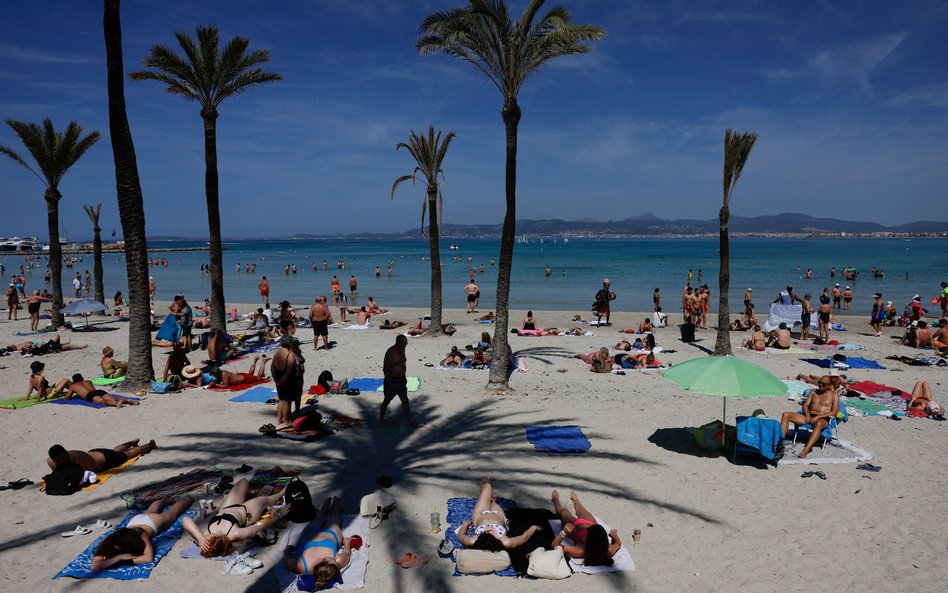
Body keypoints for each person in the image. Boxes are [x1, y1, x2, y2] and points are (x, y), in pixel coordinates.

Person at [183, 479, 290, 558]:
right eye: (205, 539)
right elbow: (257, 528)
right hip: (247, 512)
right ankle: (282, 492)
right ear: (212, 540)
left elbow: (185, 520)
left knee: (243, 482)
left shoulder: (203, 539)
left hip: (228, 506)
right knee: (268, 500)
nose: (204, 537)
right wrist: (279, 515)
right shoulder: (233, 534)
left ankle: (250, 496)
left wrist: (200, 538)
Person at [91, 496, 194, 572]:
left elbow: (148, 557)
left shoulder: (140, 534)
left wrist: (126, 560)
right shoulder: (109, 542)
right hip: (134, 521)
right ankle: (164, 499)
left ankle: (187, 499)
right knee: (151, 510)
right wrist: (120, 558)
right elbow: (94, 567)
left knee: (172, 514)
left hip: (151, 522)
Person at [284, 496, 353, 586]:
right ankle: (333, 506)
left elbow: (287, 557)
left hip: (310, 533)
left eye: (331, 559)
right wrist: (347, 543)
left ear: (318, 562)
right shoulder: (338, 562)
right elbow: (346, 553)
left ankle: (326, 507)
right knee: (334, 518)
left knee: (319, 518)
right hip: (331, 535)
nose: (334, 559)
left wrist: (288, 550)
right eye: (334, 560)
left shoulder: (300, 566)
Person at [457, 477, 540, 551]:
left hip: (480, 514)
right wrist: (533, 528)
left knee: (487, 488)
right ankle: (490, 498)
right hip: (498, 514)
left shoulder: (473, 541)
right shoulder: (505, 542)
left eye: (486, 532)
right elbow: (524, 538)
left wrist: (465, 524)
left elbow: (461, 536)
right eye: (490, 532)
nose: (489, 529)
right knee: (490, 495)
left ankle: (485, 478)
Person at [550, 490, 621, 565]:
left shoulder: (580, 550)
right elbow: (618, 544)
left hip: (574, 527)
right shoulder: (608, 550)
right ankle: (576, 501)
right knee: (581, 509)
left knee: (564, 511)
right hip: (591, 523)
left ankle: (555, 499)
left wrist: (563, 532)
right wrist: (615, 537)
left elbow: (555, 546)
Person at [780, 376, 839, 458]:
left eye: (823, 384)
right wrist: (807, 415)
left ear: (829, 385)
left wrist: (818, 417)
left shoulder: (833, 395)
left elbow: (834, 412)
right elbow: (805, 406)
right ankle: (780, 442)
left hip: (822, 419)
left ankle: (806, 449)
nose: (820, 385)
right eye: (819, 383)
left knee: (818, 424)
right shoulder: (813, 392)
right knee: (786, 415)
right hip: (809, 416)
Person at [381, 335, 422, 427]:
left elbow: (402, 365)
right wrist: (390, 383)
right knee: (387, 400)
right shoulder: (391, 352)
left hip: (401, 380)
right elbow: (385, 369)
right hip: (392, 380)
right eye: (404, 343)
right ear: (398, 342)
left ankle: (409, 420)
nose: (406, 345)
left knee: (405, 400)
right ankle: (381, 419)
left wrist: (404, 377)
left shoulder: (402, 350)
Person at [47, 439, 157, 473]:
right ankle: (132, 443)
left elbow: (79, 476)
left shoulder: (77, 458)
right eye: (58, 460)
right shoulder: (51, 462)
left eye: (62, 457)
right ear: (52, 460)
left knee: (127, 454)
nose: (61, 461)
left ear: (66, 453)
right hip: (95, 453)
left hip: (105, 460)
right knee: (115, 451)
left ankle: (150, 445)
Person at [272, 337, 300, 426]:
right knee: (287, 401)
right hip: (287, 380)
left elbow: (272, 367)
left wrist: (275, 379)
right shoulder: (290, 355)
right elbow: (288, 371)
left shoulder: (278, 352)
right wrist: (282, 381)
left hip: (278, 376)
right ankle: (286, 421)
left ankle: (279, 420)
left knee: (281, 400)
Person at [65, 374, 139, 407]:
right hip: (99, 391)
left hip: (90, 395)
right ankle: (129, 401)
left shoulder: (73, 386)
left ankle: (116, 404)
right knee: (114, 398)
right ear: (82, 378)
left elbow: (67, 397)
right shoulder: (88, 381)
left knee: (103, 401)